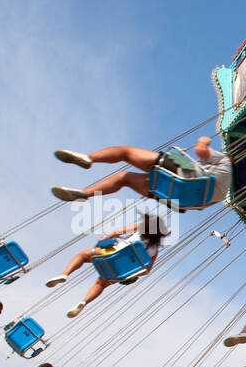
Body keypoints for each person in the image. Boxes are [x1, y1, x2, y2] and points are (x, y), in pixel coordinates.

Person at [44, 211, 172, 318]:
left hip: (112, 254)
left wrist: (104, 238)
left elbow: (118, 231)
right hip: (121, 271)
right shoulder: (155, 249)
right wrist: (131, 274)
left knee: (82, 256)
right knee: (101, 284)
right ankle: (84, 302)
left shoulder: (140, 228)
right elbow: (147, 270)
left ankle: (64, 274)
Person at [51, 136, 232, 208]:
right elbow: (201, 205)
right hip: (177, 198)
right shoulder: (224, 194)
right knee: (124, 178)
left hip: (181, 172)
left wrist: (203, 142)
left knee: (125, 152)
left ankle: (89, 158)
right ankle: (83, 195)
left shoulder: (225, 161)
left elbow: (200, 152)